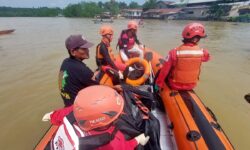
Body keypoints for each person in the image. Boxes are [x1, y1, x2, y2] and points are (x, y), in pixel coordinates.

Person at [42, 85, 150, 150]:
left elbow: (62, 113)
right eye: (117, 115)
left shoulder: (74, 114)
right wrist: (136, 141)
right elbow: (123, 148)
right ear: (101, 122)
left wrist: (51, 115)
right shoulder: (108, 141)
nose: (120, 114)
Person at [155, 22, 210, 90]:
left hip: (175, 85)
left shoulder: (174, 52)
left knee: (161, 70)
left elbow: (165, 70)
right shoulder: (203, 52)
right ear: (197, 39)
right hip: (192, 85)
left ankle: (157, 88)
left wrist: (158, 84)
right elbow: (207, 58)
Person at [59, 34, 98, 107]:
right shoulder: (81, 69)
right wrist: (115, 88)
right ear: (73, 51)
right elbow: (99, 88)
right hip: (78, 108)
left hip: (67, 103)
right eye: (84, 48)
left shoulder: (65, 62)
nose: (88, 50)